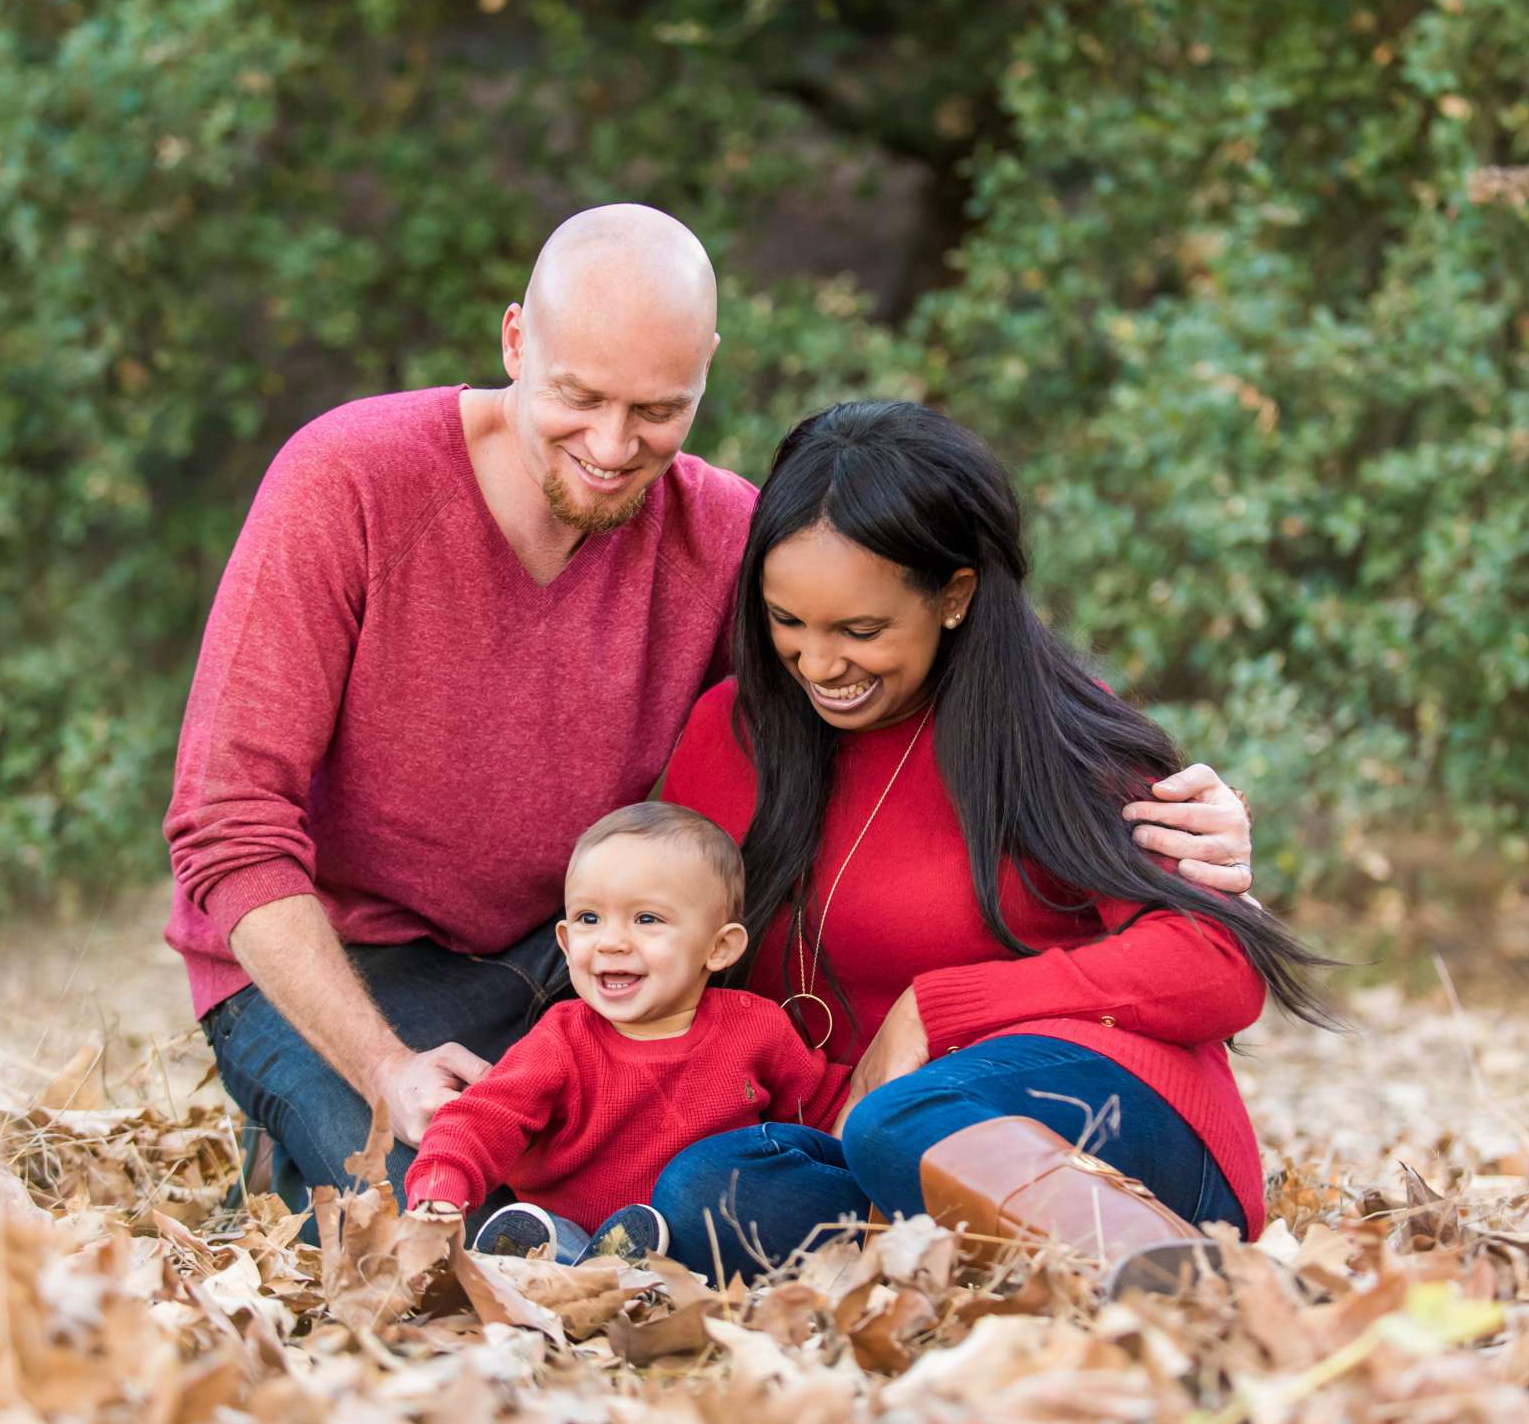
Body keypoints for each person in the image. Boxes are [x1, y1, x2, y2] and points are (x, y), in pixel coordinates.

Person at [163, 204, 1259, 1230]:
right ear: (512, 343)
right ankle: (318, 1127)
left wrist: (1191, 818)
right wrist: (380, 1064)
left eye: (657, 410)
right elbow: (229, 827)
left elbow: (921, 641)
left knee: (612, 1179)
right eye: (579, 397)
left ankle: (1124, 1268)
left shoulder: (732, 538)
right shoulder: (349, 481)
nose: (611, 442)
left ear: (704, 380)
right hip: (354, 962)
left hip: (573, 960)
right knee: (458, 1195)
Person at [652, 400, 1333, 1279]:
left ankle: (1190, 1292)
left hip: (1114, 1114)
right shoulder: (728, 735)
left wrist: (943, 1009)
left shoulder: (1055, 732)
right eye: (789, 623)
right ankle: (1021, 1269)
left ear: (956, 597)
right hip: (874, 1145)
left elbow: (1218, 963)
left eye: (860, 631)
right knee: (709, 1191)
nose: (820, 664)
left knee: (907, 1122)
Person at [403, 803, 848, 1263]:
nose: (611, 941)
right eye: (589, 919)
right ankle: (553, 1261)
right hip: (571, 1230)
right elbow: (485, 1117)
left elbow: (821, 1111)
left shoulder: (757, 1028)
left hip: (698, 1247)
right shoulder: (562, 1039)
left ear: (718, 947)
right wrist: (439, 1190)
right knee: (551, 1236)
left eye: (646, 919)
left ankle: (614, 1266)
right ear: (565, 940)